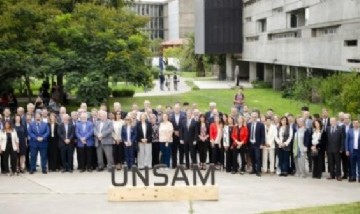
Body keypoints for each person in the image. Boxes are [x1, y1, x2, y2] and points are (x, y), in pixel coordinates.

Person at [247, 111, 265, 177]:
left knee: (258, 158)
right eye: (253, 117)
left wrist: (262, 144)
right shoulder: (248, 124)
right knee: (252, 157)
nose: (254, 118)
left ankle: (258, 171)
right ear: (251, 117)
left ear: (257, 117)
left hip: (257, 144)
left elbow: (263, 135)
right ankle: (254, 170)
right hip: (250, 144)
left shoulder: (261, 125)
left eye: (255, 117)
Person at [170, 103, 186, 168]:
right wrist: (174, 131)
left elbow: (184, 125)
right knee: (174, 151)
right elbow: (170, 125)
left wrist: (179, 131)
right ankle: (174, 164)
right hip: (173, 136)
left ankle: (181, 163)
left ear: (179, 109)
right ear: (174, 109)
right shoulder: (171, 116)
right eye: (175, 108)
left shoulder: (183, 116)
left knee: (181, 150)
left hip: (181, 135)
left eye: (178, 108)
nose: (176, 109)